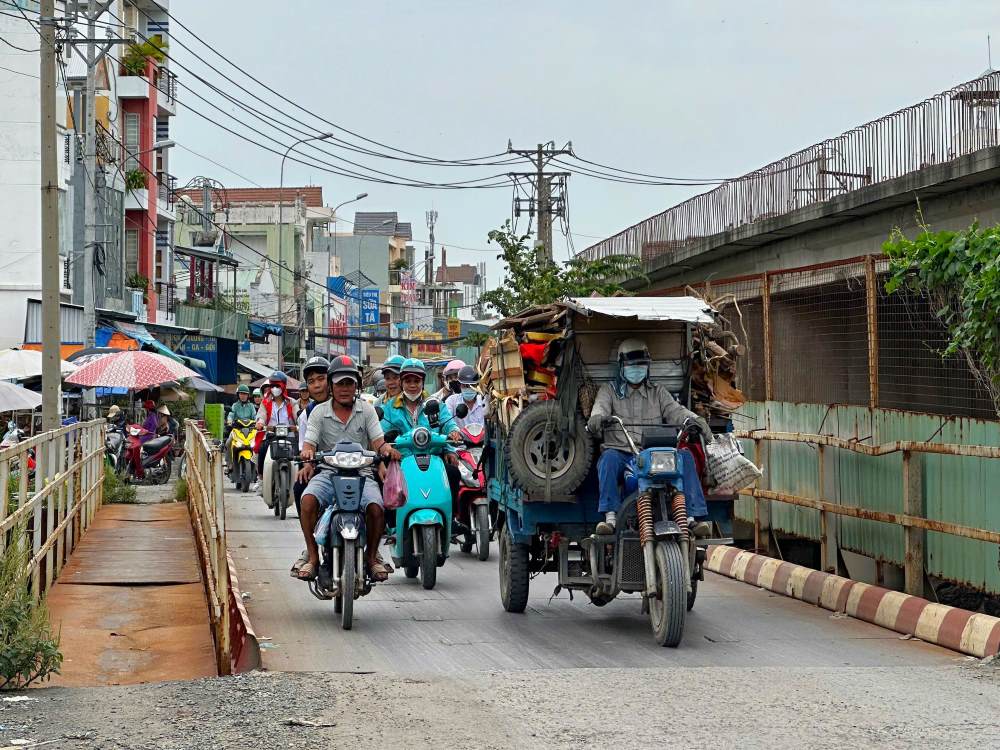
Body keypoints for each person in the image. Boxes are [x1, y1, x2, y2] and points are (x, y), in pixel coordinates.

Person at [587, 338, 712, 535]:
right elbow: (599, 409)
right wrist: (597, 419)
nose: (636, 369)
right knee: (607, 459)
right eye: (631, 365)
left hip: (654, 455)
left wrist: (695, 420)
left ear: (648, 367)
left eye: (641, 365)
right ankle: (610, 517)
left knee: (686, 457)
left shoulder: (658, 392)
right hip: (623, 453)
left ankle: (691, 517)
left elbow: (676, 411)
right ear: (621, 366)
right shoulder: (608, 391)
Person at [297, 356, 400, 583]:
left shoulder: (367, 410)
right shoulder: (318, 412)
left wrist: (386, 450)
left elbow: (378, 442)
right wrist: (307, 452)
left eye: (349, 383)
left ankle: (372, 557)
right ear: (331, 386)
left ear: (357, 386)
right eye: (339, 383)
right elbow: (309, 442)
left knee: (376, 508)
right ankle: (313, 557)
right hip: (327, 474)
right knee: (307, 501)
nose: (344, 389)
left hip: (362, 475)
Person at [380, 358, 464, 531]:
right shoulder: (390, 408)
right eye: (408, 381)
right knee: (385, 475)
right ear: (402, 382)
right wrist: (388, 447)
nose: (412, 385)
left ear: (423, 382)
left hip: (433, 458)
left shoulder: (435, 404)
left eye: (416, 381)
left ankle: (451, 518)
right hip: (402, 460)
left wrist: (452, 440)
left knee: (453, 473)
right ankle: (390, 523)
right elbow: (381, 434)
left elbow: (447, 424)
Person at [253, 371, 297, 493]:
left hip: (289, 436)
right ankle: (261, 479)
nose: (274, 389)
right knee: (261, 449)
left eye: (277, 386)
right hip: (271, 435)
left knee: (299, 455)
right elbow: (261, 415)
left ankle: (299, 480)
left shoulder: (292, 402)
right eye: (272, 386)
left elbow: (298, 415)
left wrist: (298, 424)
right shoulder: (265, 402)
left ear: (283, 386)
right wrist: (260, 423)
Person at [225, 385, 257, 473]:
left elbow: (255, 416)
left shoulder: (251, 406)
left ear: (248, 395)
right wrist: (229, 421)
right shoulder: (235, 405)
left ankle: (258, 466)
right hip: (237, 430)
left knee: (258, 444)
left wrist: (258, 421)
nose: (243, 396)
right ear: (238, 395)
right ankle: (229, 464)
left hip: (250, 430)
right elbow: (231, 414)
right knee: (228, 443)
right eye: (241, 394)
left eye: (245, 394)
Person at [445, 365, 486, 429]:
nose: (469, 388)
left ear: (477, 386)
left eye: (472, 386)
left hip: (482, 438)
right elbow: (446, 419)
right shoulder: (452, 401)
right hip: (459, 438)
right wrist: (453, 430)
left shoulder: (484, 402)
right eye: (465, 385)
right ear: (460, 385)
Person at [128, 399, 160, 478]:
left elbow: (152, 428)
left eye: (146, 408)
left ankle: (139, 470)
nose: (145, 410)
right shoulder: (150, 416)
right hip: (145, 435)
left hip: (149, 436)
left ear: (148, 409)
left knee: (135, 448)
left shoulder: (152, 416)